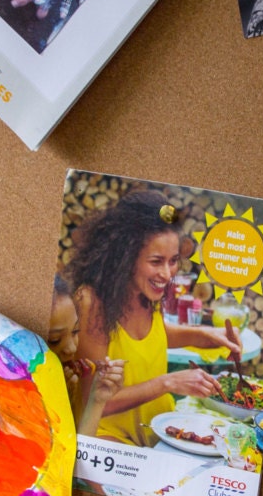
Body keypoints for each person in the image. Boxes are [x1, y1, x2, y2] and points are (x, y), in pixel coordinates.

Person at [68, 190, 242, 447]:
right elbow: (96, 402)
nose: (166, 273)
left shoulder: (146, 291)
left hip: (158, 426)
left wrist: (208, 335)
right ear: (126, 257)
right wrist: (169, 382)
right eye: (156, 261)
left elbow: (152, 336)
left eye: (173, 261)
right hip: (107, 436)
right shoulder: (92, 302)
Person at [46, 273, 125, 438]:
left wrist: (97, 400)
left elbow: (78, 455)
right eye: (54, 340)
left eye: (75, 331)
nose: (71, 348)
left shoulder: (69, 383)